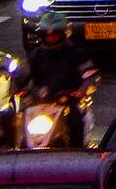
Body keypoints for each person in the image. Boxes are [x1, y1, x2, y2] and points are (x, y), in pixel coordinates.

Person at [20, 12, 98, 147]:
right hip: (40, 103)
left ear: (63, 33)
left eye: (55, 34)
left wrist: (81, 90)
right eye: (47, 34)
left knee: (75, 120)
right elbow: (22, 74)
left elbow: (89, 75)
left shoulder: (75, 54)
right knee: (19, 121)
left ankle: (77, 150)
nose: (51, 37)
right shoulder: (36, 55)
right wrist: (16, 87)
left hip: (68, 102)